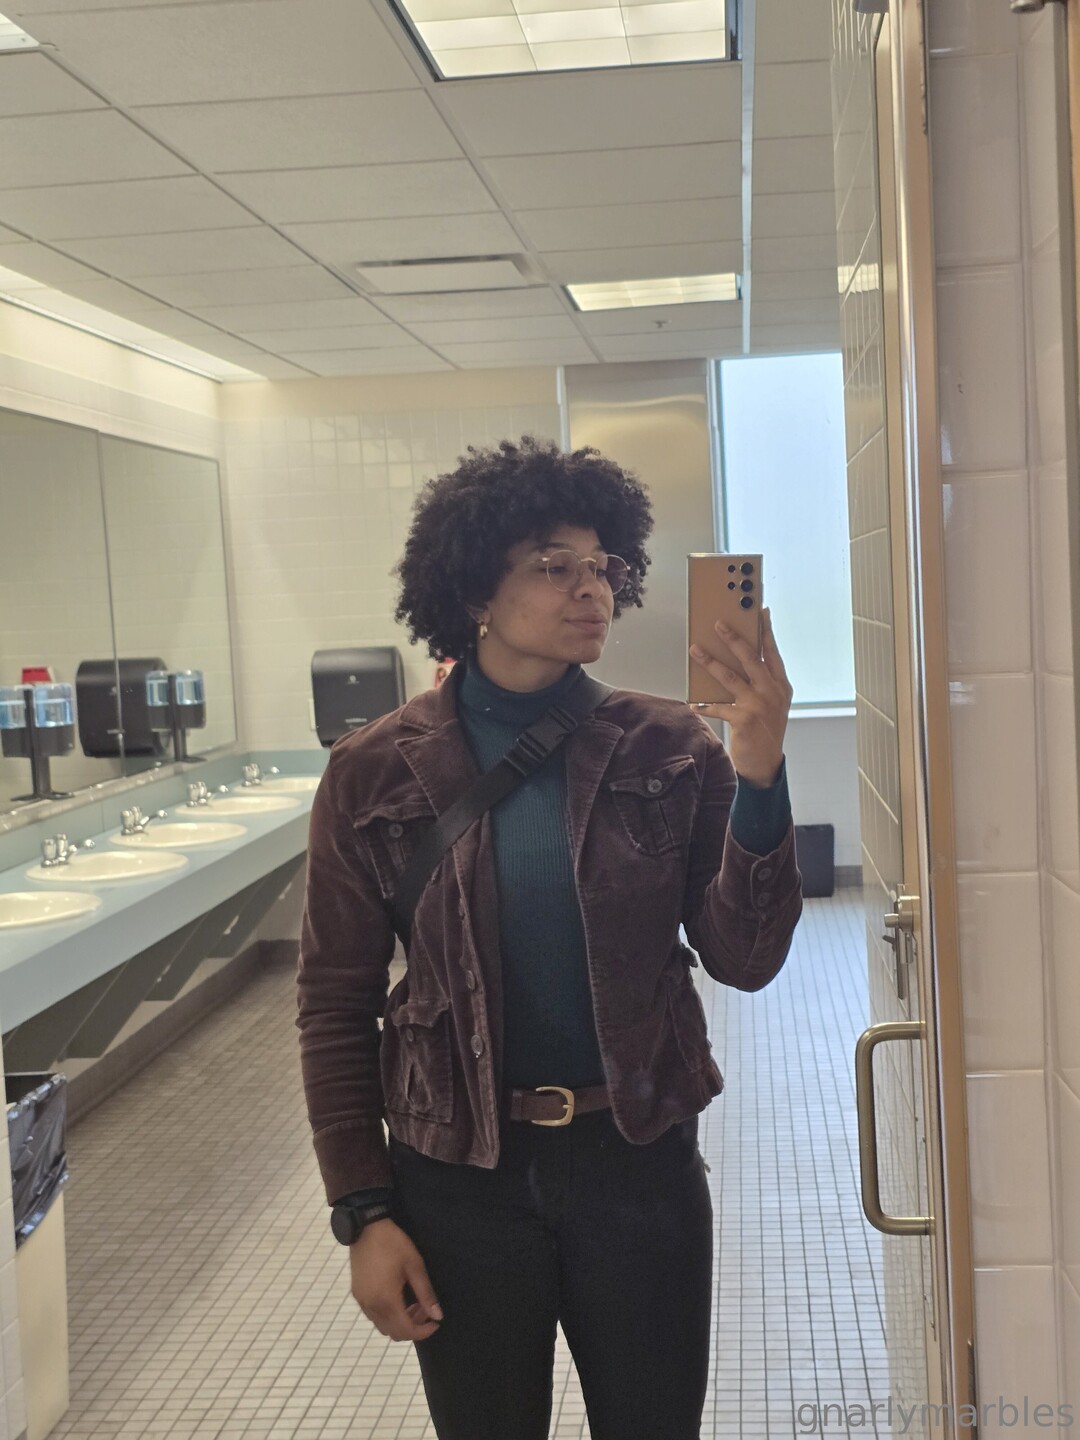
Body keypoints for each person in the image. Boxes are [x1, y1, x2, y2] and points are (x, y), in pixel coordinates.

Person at [297, 436, 802, 1440]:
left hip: (637, 1162)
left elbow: (745, 959)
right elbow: (334, 1004)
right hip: (457, 1180)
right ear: (473, 591)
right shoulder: (371, 771)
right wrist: (364, 1210)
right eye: (552, 565)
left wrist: (759, 773)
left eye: (602, 565)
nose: (591, 588)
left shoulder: (671, 746)